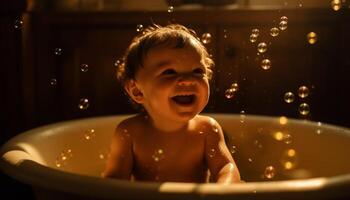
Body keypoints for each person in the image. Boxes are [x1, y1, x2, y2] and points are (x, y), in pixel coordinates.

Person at [103, 24, 240, 183]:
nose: (188, 80)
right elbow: (115, 180)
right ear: (137, 91)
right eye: (169, 72)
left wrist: (223, 187)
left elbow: (226, 167)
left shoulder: (207, 129)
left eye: (197, 71)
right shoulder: (130, 132)